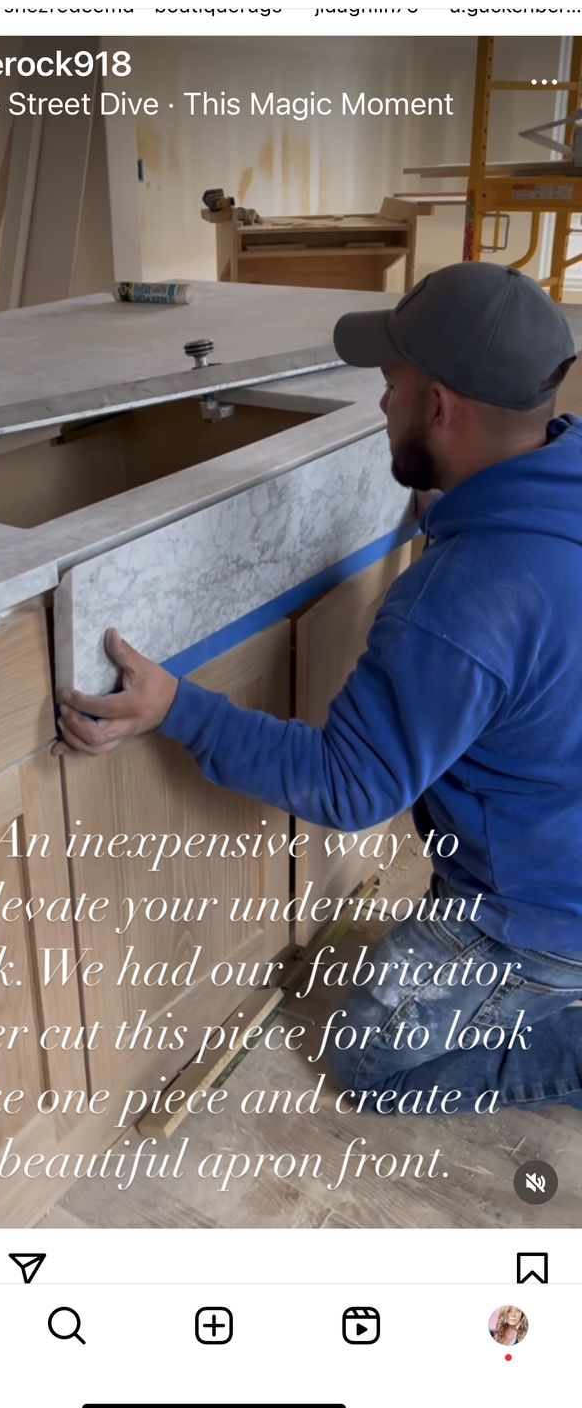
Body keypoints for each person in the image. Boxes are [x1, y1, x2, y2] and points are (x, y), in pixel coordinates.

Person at [52, 262, 582, 1115]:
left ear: (441, 407)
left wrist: (177, 707)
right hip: (565, 843)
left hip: (542, 916)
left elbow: (348, 784)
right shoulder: (563, 473)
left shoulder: (460, 602)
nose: (380, 405)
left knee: (370, 1058)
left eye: (392, 384)